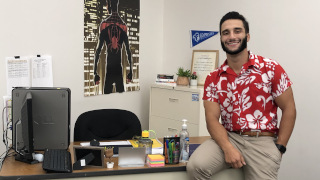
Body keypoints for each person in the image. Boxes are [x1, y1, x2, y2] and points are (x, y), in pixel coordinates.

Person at [187, 11, 296, 180]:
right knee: (196, 167)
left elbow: (289, 108)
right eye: (226, 33)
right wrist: (227, 148)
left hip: (262, 140)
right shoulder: (213, 78)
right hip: (229, 136)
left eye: (237, 31)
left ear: (247, 36)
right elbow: (212, 119)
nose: (231, 36)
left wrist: (280, 147)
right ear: (222, 39)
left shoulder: (271, 68)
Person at [94, 0, 132, 94]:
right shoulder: (123, 26)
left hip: (110, 69)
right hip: (118, 68)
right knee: (121, 97)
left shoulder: (104, 25)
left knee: (106, 97)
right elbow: (128, 51)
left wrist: (95, 72)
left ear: (109, 6)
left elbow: (98, 51)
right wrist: (131, 71)